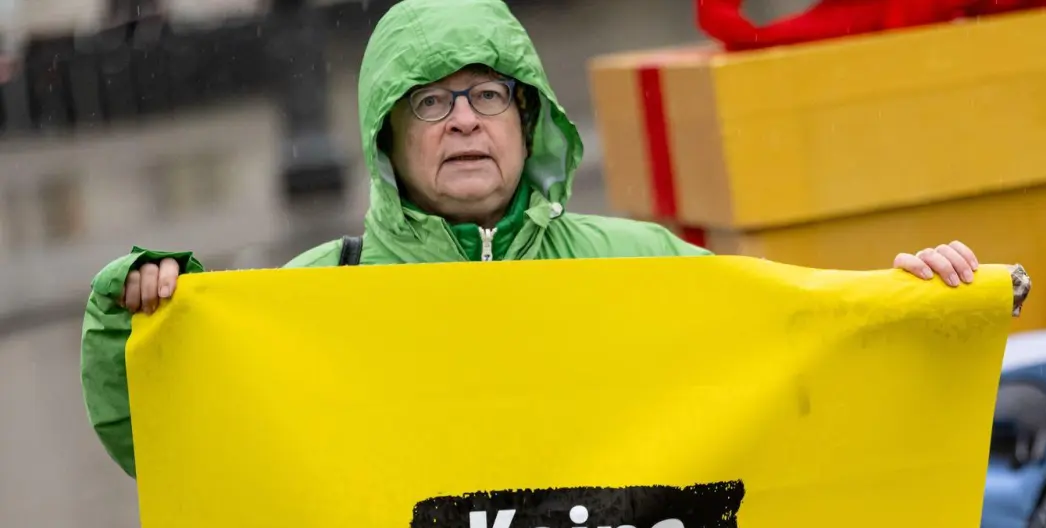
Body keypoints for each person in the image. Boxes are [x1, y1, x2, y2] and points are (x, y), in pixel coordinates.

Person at [79, 0, 986, 479]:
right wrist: (140, 326)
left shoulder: (634, 263)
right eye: (431, 102)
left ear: (529, 119)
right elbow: (183, 454)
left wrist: (908, 306)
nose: (465, 120)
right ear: (388, 139)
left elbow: (795, 344)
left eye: (489, 95)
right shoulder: (319, 296)